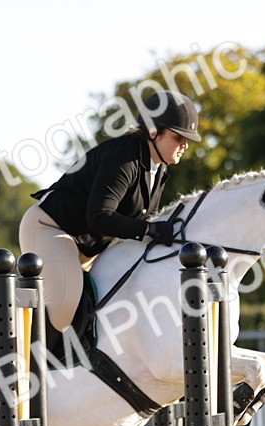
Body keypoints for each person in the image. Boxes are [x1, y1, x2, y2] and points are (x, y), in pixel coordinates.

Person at [19, 90, 201, 339]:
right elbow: (100, 216)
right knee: (64, 306)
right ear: (152, 131)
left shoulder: (157, 168)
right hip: (51, 229)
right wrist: (148, 230)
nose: (185, 145)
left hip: (87, 248)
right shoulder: (124, 157)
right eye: (178, 136)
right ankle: (24, 366)